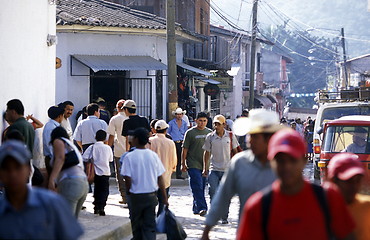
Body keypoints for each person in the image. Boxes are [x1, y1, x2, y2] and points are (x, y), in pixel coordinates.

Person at [237, 129, 356, 240]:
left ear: (304, 161)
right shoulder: (257, 207)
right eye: (280, 160)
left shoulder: (329, 198)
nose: (286, 167)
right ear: (271, 162)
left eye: (292, 160)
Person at [202, 109, 282, 240]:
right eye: (249, 135)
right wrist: (207, 229)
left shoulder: (283, 165)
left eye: (255, 136)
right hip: (247, 233)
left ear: (269, 139)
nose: (249, 140)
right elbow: (223, 197)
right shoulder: (239, 163)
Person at [0, 140, 83, 239]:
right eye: (6, 168)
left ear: (29, 170)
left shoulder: (52, 204)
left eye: (18, 167)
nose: (12, 174)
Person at [121, 128, 168, 240]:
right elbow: (160, 178)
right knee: (149, 224)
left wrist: (128, 191)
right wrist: (164, 196)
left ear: (136, 139)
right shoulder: (153, 156)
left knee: (136, 224)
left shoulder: (129, 156)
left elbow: (127, 177)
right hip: (151, 195)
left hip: (136, 196)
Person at [202, 114, 239, 224]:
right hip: (214, 169)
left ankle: (224, 216)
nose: (216, 126)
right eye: (215, 124)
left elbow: (235, 151)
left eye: (218, 124)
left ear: (224, 124)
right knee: (212, 192)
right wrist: (205, 168)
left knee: (226, 194)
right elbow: (207, 153)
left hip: (227, 170)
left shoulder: (230, 136)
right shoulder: (210, 137)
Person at [328, 153, 370, 240]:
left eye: (358, 180)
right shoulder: (319, 208)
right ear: (333, 180)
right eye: (349, 181)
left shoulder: (367, 207)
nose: (354, 186)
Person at [48, 127, 89, 218]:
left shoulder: (58, 141)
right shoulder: (71, 146)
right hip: (83, 183)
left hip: (71, 182)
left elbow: (60, 158)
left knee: (66, 220)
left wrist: (52, 179)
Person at [182, 112, 212, 216]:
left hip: (205, 164)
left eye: (204, 121)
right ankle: (203, 207)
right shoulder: (190, 133)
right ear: (196, 121)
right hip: (193, 163)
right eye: (200, 121)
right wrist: (183, 163)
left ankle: (196, 207)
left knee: (202, 186)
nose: (202, 123)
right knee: (197, 185)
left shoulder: (210, 133)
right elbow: (185, 149)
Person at [147, 120, 177, 216]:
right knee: (162, 200)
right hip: (165, 174)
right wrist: (172, 169)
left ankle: (151, 219)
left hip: (151, 175)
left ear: (155, 129)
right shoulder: (170, 143)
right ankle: (160, 219)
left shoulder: (150, 141)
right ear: (166, 130)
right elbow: (174, 159)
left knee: (151, 200)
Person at [83, 130, 113, 216]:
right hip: (105, 172)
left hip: (95, 172)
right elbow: (110, 159)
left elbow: (84, 157)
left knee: (97, 189)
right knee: (104, 190)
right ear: (105, 138)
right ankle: (102, 206)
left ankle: (96, 206)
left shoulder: (92, 147)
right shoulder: (107, 148)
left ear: (95, 137)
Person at [107, 99, 128, 205]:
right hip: (132, 151)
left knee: (120, 174)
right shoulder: (132, 118)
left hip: (119, 151)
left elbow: (111, 135)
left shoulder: (115, 119)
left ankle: (124, 196)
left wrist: (107, 148)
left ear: (118, 108)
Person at [43, 105, 65, 175]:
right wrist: (56, 159)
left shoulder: (54, 125)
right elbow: (50, 144)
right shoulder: (50, 127)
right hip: (52, 158)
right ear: (59, 116)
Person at [167, 107, 188, 179]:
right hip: (173, 142)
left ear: (182, 115)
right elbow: (168, 132)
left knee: (180, 158)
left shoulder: (184, 123)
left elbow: (186, 133)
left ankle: (179, 174)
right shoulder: (171, 123)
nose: (179, 116)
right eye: (177, 114)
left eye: (180, 114)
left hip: (181, 142)